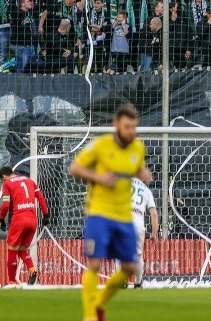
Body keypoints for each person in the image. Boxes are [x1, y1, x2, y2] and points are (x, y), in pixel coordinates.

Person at [69, 104, 152, 321]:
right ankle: (89, 316)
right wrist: (98, 178)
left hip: (124, 216)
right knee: (95, 263)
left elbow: (134, 168)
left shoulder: (138, 148)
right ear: (116, 125)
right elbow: (75, 168)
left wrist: (142, 172)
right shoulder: (100, 145)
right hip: (99, 213)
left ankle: (98, 302)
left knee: (129, 267)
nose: (131, 132)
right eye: (127, 127)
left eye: (134, 127)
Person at [0, 165, 50, 285]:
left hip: (19, 219)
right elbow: (41, 198)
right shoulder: (29, 180)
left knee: (12, 250)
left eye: (3, 179)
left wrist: (1, 220)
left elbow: (5, 205)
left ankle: (11, 282)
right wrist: (46, 215)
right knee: (22, 249)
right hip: (33, 220)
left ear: (4, 176)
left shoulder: (7, 183)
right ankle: (32, 269)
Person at [131, 177, 159, 288]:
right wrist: (154, 233)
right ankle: (138, 282)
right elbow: (154, 214)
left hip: (123, 221)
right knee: (138, 255)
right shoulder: (146, 190)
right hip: (138, 224)